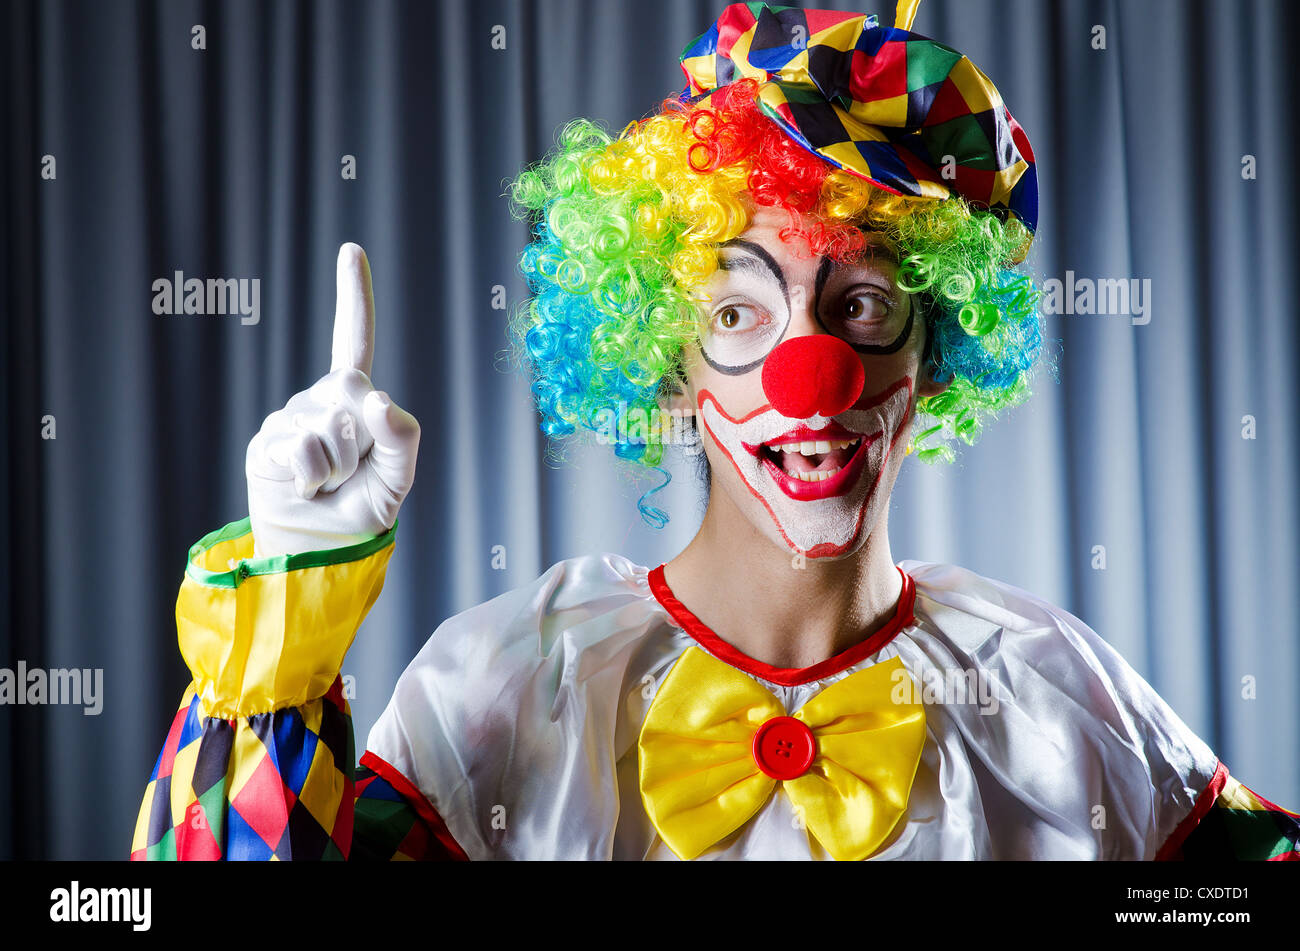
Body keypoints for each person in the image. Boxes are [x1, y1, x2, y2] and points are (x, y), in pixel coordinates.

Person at [132, 1, 1299, 861]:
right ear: (671, 361)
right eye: (735, 310)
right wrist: (288, 599)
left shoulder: (1058, 693)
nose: (810, 371)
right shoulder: (504, 686)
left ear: (934, 353)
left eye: (863, 305)